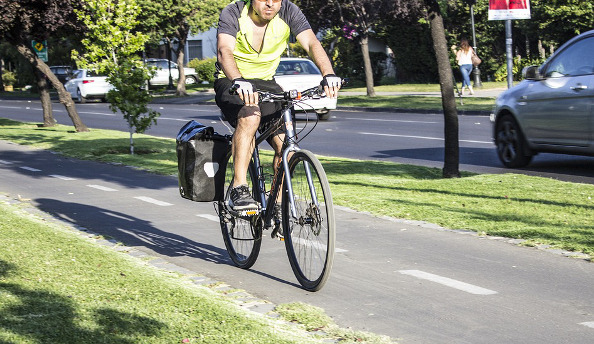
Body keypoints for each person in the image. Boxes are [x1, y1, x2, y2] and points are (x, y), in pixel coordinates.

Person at [214, 0, 341, 211]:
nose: (270, 4)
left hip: (267, 82)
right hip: (232, 81)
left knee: (287, 144)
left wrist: (328, 73)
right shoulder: (234, 12)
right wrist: (238, 80)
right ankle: (239, 187)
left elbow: (311, 43)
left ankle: (278, 205)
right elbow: (224, 50)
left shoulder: (289, 11)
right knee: (251, 116)